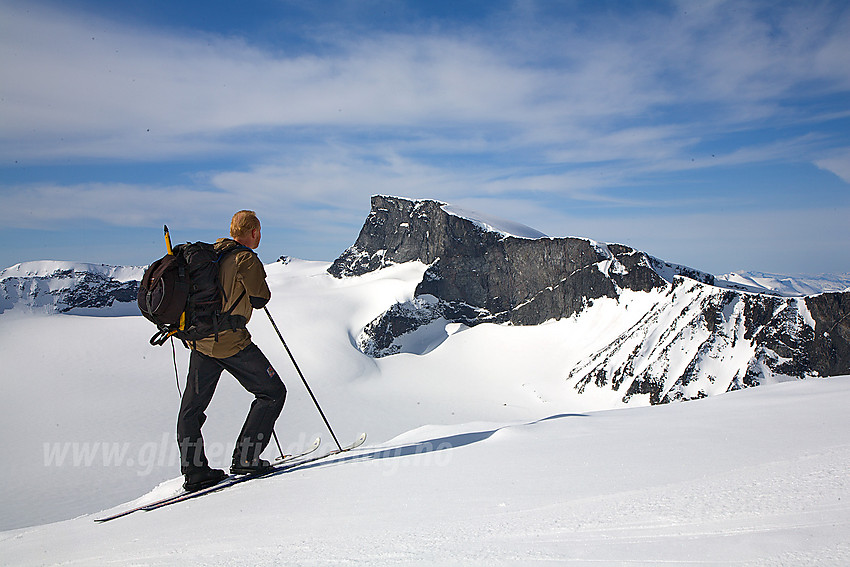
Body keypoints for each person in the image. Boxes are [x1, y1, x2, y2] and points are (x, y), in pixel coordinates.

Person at [177, 210, 287, 492]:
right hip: (231, 342)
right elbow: (261, 297)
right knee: (272, 391)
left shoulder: (209, 254)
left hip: (200, 342)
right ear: (252, 232)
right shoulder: (245, 258)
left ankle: (194, 471)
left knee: (192, 409)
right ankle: (247, 457)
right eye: (259, 232)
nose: (260, 237)